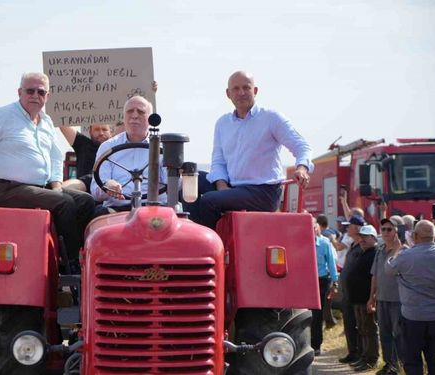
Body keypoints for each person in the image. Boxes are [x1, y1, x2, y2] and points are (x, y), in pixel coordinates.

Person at [0, 72, 95, 269]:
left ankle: (79, 252)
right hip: (9, 190)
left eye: (41, 92)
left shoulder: (47, 122)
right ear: (19, 92)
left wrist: (57, 185)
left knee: (86, 201)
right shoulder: (2, 115)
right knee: (65, 202)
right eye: (30, 91)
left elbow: (54, 157)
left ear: (47, 96)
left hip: (41, 188)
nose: (35, 95)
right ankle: (70, 264)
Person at [188, 71, 313, 229]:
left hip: (263, 191)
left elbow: (302, 146)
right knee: (189, 180)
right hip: (234, 187)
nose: (241, 93)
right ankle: (193, 235)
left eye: (246, 88)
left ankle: (210, 246)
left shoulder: (271, 118)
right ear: (228, 94)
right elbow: (218, 161)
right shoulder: (223, 123)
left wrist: (302, 168)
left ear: (255, 91)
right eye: (236, 88)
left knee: (209, 200)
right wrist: (221, 184)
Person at [386, 220, 435, 375]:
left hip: (413, 317)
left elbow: (389, 270)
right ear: (433, 236)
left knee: (412, 360)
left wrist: (397, 251)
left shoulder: (406, 255)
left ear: (415, 236)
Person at [90, 95, 167, 215]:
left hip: (156, 209)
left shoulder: (164, 147)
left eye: (141, 112)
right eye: (130, 111)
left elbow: (174, 187)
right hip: (116, 210)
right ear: (124, 116)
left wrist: (179, 174)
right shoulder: (107, 147)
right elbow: (96, 192)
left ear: (151, 118)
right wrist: (107, 186)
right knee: (99, 214)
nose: (135, 116)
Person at [367, 218, 405, 375]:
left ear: (396, 231)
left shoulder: (404, 251)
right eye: (383, 229)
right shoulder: (380, 250)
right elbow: (374, 276)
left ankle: (399, 366)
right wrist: (371, 297)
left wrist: (397, 248)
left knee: (399, 334)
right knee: (384, 333)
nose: (385, 232)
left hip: (398, 300)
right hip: (381, 299)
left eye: (389, 229)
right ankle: (389, 364)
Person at [344, 224, 379, 371]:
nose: (362, 239)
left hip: (366, 299)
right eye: (361, 237)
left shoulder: (375, 253)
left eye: (366, 237)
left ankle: (371, 359)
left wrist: (372, 298)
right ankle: (364, 357)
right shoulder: (363, 252)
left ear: (373, 238)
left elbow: (375, 278)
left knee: (369, 330)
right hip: (357, 299)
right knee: (362, 329)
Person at [335, 215, 365, 364]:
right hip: (348, 292)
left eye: (350, 226)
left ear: (357, 228)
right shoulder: (353, 244)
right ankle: (352, 352)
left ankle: (361, 354)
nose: (347, 229)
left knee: (360, 325)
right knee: (348, 323)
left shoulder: (363, 246)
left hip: (358, 293)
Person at [311, 219, 338, 356]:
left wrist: (335, 282)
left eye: (314, 227)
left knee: (317, 314)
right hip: (306, 281)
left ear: (318, 228)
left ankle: (316, 345)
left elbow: (331, 263)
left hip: (321, 280)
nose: (312, 230)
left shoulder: (324, 243)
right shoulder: (301, 242)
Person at [59, 123, 113, 192]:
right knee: (59, 192)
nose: (101, 133)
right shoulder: (83, 144)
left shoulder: (118, 148)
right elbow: (62, 122)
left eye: (104, 129)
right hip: (83, 188)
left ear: (111, 132)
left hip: (112, 188)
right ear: (90, 132)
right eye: (96, 129)